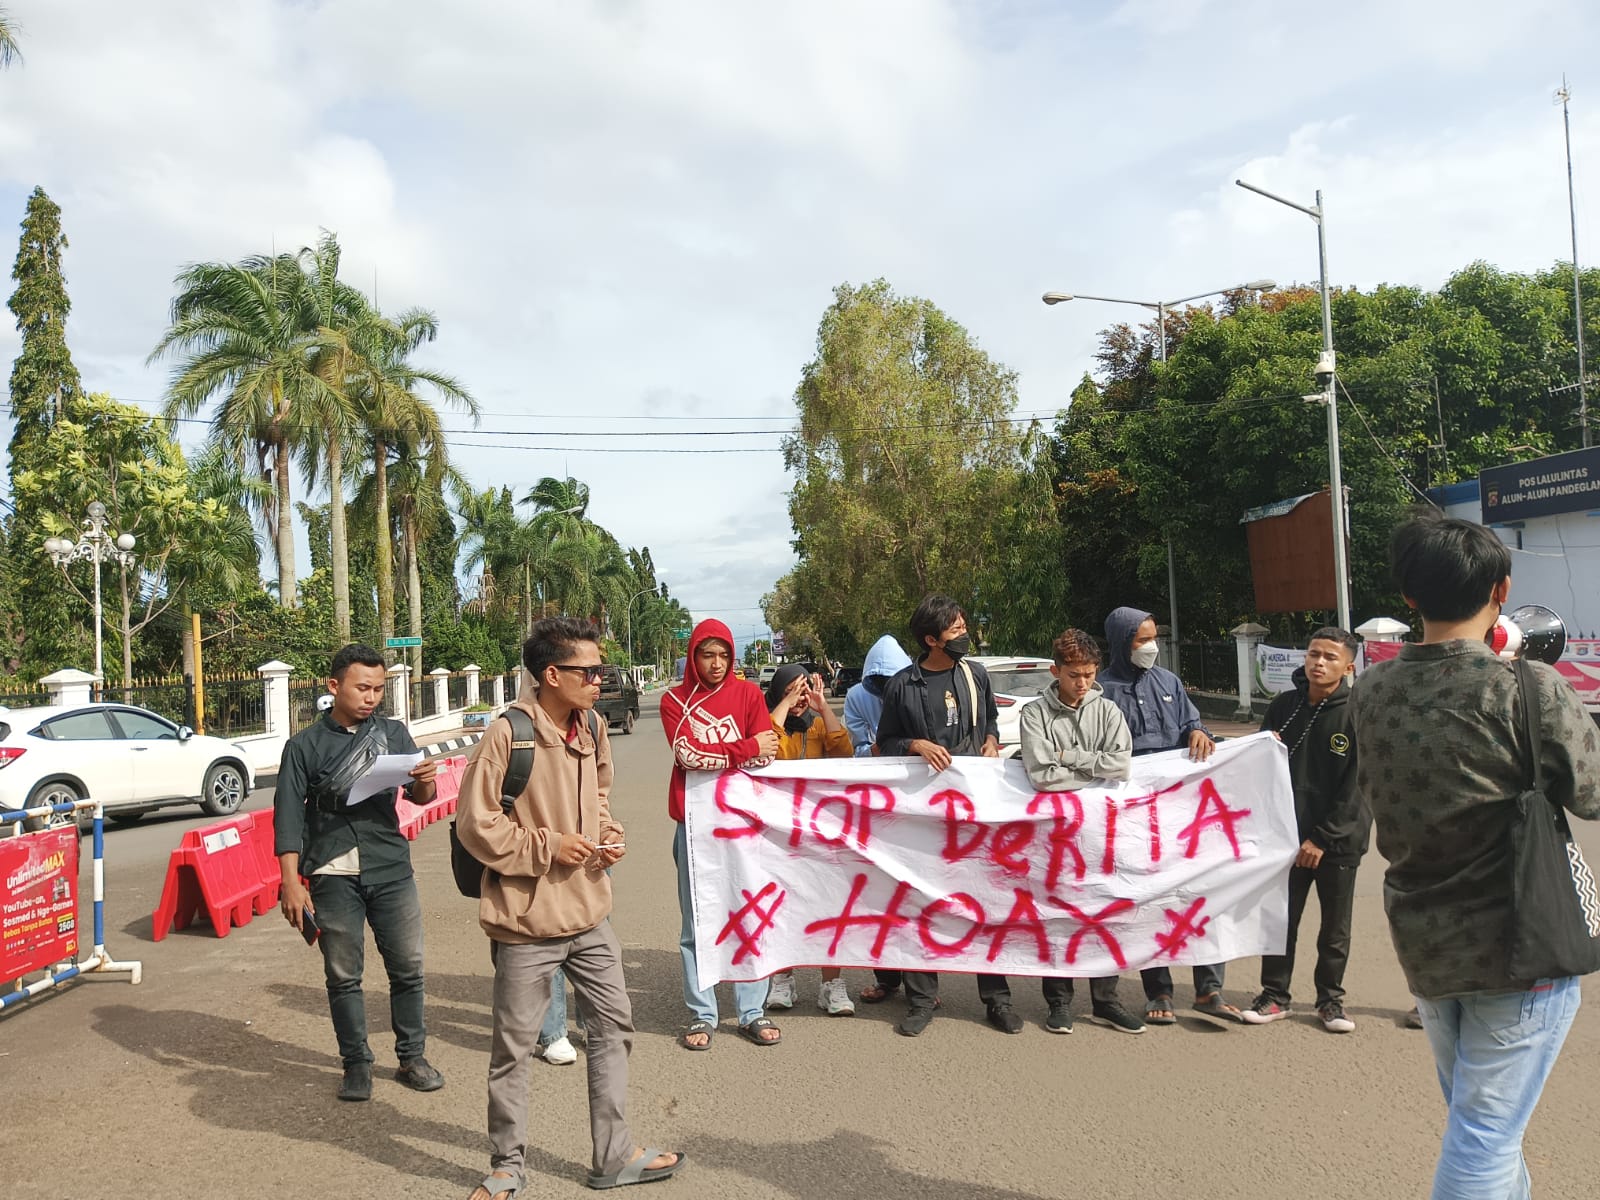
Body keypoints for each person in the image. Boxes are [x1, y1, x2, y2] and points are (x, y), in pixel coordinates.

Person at [1351, 511, 1600, 1199]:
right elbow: (1591, 793)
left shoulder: (1369, 691)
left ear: (1409, 598)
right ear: (1502, 587)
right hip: (1520, 941)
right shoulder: (1526, 688)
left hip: (1427, 943)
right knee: (1485, 1139)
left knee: (1483, 1126)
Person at [456, 618, 683, 1198]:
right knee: (513, 1048)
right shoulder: (509, 734)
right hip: (525, 922)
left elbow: (599, 795)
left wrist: (608, 834)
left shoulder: (594, 727)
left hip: (590, 914)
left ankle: (612, 1155)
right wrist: (546, 846)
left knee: (612, 1028)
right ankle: (507, 1165)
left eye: (600, 669)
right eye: (588, 670)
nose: (598, 678)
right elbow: (475, 826)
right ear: (551, 675)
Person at [274, 643, 441, 1102]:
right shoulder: (303, 746)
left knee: (408, 967)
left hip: (390, 865)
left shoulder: (394, 734)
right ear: (334, 686)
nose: (371, 697)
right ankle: (356, 1064)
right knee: (343, 974)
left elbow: (422, 798)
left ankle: (412, 1057)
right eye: (362, 687)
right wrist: (291, 881)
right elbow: (287, 816)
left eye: (378, 689)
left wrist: (425, 777)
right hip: (331, 871)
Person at [1098, 606, 1242, 1026]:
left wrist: (1199, 732)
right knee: (1150, 901)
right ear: (1123, 642)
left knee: (1202, 894)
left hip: (1184, 813)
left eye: (1152, 637)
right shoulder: (1102, 691)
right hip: (1133, 818)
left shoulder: (1170, 682)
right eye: (1140, 640)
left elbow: (1193, 726)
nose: (1150, 646)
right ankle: (1157, 990)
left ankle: (1208, 987)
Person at [873, 594, 1002, 1037]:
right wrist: (915, 745)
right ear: (931, 640)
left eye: (963, 626)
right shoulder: (902, 685)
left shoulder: (976, 675)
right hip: (923, 814)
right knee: (921, 903)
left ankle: (996, 1000)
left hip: (973, 810)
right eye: (955, 630)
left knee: (983, 902)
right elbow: (884, 744)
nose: (964, 635)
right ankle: (921, 999)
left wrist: (989, 741)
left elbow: (991, 726)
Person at [660, 618, 782, 1050]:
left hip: (744, 823)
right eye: (707, 655)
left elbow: (768, 757)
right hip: (693, 826)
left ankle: (752, 1010)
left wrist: (737, 754)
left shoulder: (749, 694)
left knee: (750, 914)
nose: (716, 664)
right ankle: (702, 1013)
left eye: (724, 655)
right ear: (692, 656)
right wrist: (745, 748)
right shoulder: (675, 700)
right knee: (696, 923)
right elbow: (688, 755)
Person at [1017, 628, 1144, 1035]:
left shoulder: (1108, 712)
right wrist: (1092, 768)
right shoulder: (1035, 714)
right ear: (1056, 671)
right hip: (1053, 838)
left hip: (1103, 836)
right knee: (1057, 917)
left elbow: (1121, 766)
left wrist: (1067, 757)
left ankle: (1106, 1000)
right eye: (1074, 674)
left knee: (1105, 916)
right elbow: (1041, 776)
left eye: (1089, 674)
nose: (1083, 683)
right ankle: (1059, 1003)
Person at [1243, 627, 1368, 1033]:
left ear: (1348, 666)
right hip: (1285, 840)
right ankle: (1274, 995)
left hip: (1337, 843)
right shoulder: (1284, 706)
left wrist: (1321, 838)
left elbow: (1358, 787)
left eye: (1330, 657)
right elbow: (1260, 766)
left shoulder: (1358, 714)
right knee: (1280, 922)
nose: (1319, 662)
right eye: (1314, 653)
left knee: (1335, 929)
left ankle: (1330, 1002)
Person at [761, 664, 857, 1016]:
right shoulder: (766, 722)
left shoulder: (816, 724)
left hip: (820, 834)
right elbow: (764, 749)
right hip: (776, 836)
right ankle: (782, 980)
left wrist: (823, 706)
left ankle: (831, 985)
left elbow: (844, 753)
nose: (799, 699)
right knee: (779, 907)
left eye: (803, 691)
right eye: (792, 691)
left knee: (828, 907)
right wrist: (784, 705)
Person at [843, 634, 914, 757]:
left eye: (892, 681)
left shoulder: (918, 691)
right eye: (880, 680)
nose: (887, 687)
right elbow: (858, 751)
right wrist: (891, 745)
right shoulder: (856, 697)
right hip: (876, 769)